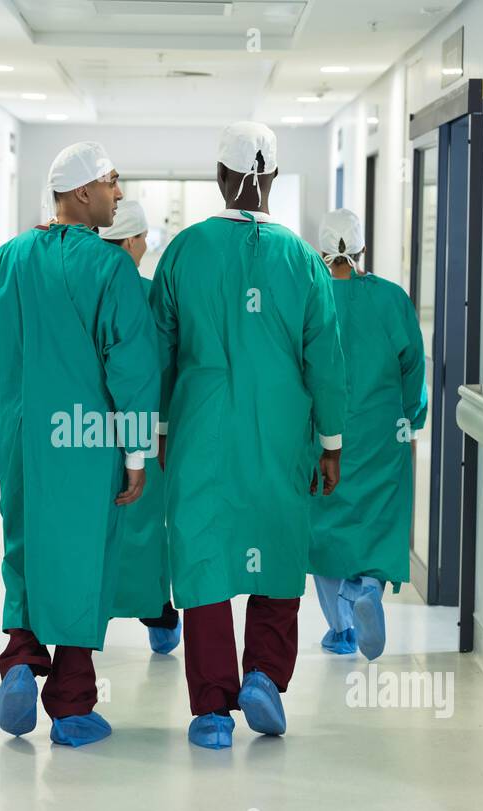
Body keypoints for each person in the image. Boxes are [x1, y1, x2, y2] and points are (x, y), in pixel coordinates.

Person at [150, 122, 347, 750]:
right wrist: (333, 443)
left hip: (201, 436)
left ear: (220, 179)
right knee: (277, 545)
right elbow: (327, 362)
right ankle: (263, 674)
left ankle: (212, 709)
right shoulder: (303, 264)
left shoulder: (185, 251)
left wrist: (152, 429)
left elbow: (157, 350)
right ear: (274, 181)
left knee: (205, 558)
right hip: (280, 434)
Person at [0, 142, 160, 748]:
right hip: (88, 441)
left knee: (24, 545)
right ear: (82, 193)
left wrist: (6, 423)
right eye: (111, 182)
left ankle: (21, 659)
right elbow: (131, 366)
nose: (119, 194)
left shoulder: (8, 260)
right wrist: (135, 453)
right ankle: (73, 706)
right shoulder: (109, 270)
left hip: (26, 437)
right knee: (83, 557)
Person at [309, 209, 427, 661]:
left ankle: (340, 627)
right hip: (382, 433)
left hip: (323, 435)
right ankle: (369, 590)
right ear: (361, 250)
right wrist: (411, 417)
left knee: (324, 527)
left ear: (321, 252)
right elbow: (413, 365)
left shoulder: (309, 297)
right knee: (378, 519)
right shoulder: (391, 299)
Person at [100, 200, 181, 655]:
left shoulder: (77, 288)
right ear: (132, 242)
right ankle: (157, 612)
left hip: (80, 431)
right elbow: (164, 367)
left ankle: (94, 611)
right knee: (147, 522)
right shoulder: (149, 295)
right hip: (145, 427)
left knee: (96, 523)